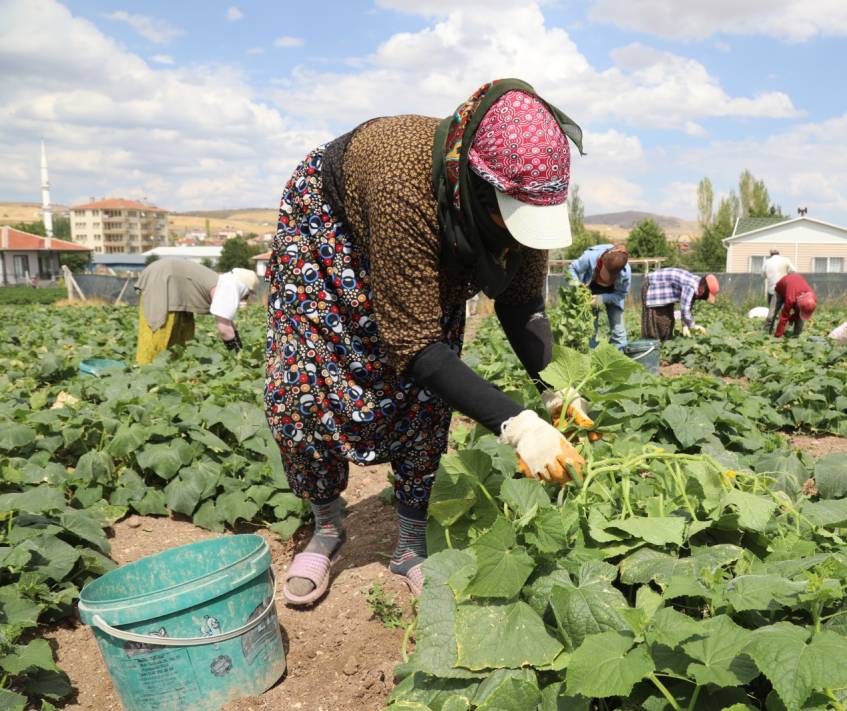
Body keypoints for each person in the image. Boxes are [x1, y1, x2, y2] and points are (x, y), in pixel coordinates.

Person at [265, 79, 591, 603]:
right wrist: (517, 424)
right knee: (305, 384)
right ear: (474, 184)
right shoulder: (404, 180)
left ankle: (413, 537)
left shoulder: (523, 192)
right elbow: (414, 344)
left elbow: (521, 301)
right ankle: (326, 524)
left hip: (423, 223)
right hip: (330, 231)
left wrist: (557, 388)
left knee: (424, 397)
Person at [134, 258, 258, 364]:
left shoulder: (223, 283)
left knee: (178, 332)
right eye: (247, 295)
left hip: (168, 275)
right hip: (163, 279)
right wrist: (237, 354)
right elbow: (224, 329)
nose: (244, 299)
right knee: (159, 330)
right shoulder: (228, 288)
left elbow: (228, 321)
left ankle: (168, 366)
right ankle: (145, 367)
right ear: (244, 288)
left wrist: (238, 343)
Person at [567, 244, 630, 350]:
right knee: (589, 330)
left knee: (619, 333)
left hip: (613, 294)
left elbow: (620, 295)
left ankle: (618, 357)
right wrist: (578, 285)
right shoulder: (590, 257)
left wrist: (602, 298)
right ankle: (591, 358)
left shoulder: (625, 272)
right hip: (590, 290)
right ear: (602, 262)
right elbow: (572, 269)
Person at [640, 268, 718, 341]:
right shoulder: (690, 285)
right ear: (703, 289)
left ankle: (664, 348)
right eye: (706, 295)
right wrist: (693, 326)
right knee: (654, 325)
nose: (704, 297)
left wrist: (684, 325)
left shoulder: (698, 284)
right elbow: (685, 309)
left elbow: (688, 304)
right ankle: (651, 350)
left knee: (667, 323)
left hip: (665, 293)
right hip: (653, 286)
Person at [769, 272, 817, 338]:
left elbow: (800, 313)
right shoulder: (790, 299)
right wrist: (778, 336)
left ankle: (796, 336)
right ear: (798, 303)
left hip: (794, 291)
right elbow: (784, 317)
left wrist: (791, 318)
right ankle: (767, 333)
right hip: (780, 291)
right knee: (771, 315)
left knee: (801, 318)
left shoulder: (812, 299)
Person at [761, 249, 796, 332]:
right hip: (785, 290)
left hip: (773, 291)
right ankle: (783, 331)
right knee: (784, 312)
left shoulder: (767, 262)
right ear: (779, 253)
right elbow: (793, 271)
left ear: (770, 254)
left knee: (772, 313)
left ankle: (767, 332)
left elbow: (763, 275)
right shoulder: (785, 260)